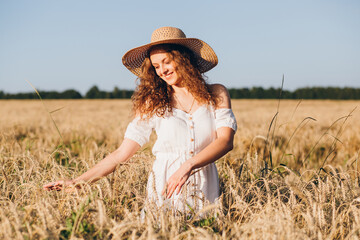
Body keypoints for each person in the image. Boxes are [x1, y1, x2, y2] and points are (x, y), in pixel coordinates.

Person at [43, 26, 237, 214]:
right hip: (165, 187)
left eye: (167, 61)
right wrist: (79, 182)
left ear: (183, 58)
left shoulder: (216, 93)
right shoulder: (153, 102)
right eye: (156, 66)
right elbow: (121, 154)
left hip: (206, 189)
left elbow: (225, 141)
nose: (162, 71)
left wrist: (188, 166)